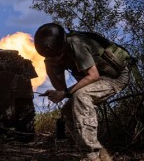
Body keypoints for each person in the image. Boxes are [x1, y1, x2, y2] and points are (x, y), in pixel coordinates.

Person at [34, 23, 131, 161]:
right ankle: (101, 154)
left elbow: (93, 76)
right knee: (67, 110)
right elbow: (62, 89)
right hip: (97, 80)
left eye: (56, 55)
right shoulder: (53, 58)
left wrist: (66, 93)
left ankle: (93, 156)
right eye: (51, 56)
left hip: (115, 77)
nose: (54, 58)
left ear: (61, 46)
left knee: (81, 95)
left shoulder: (76, 44)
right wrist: (52, 68)